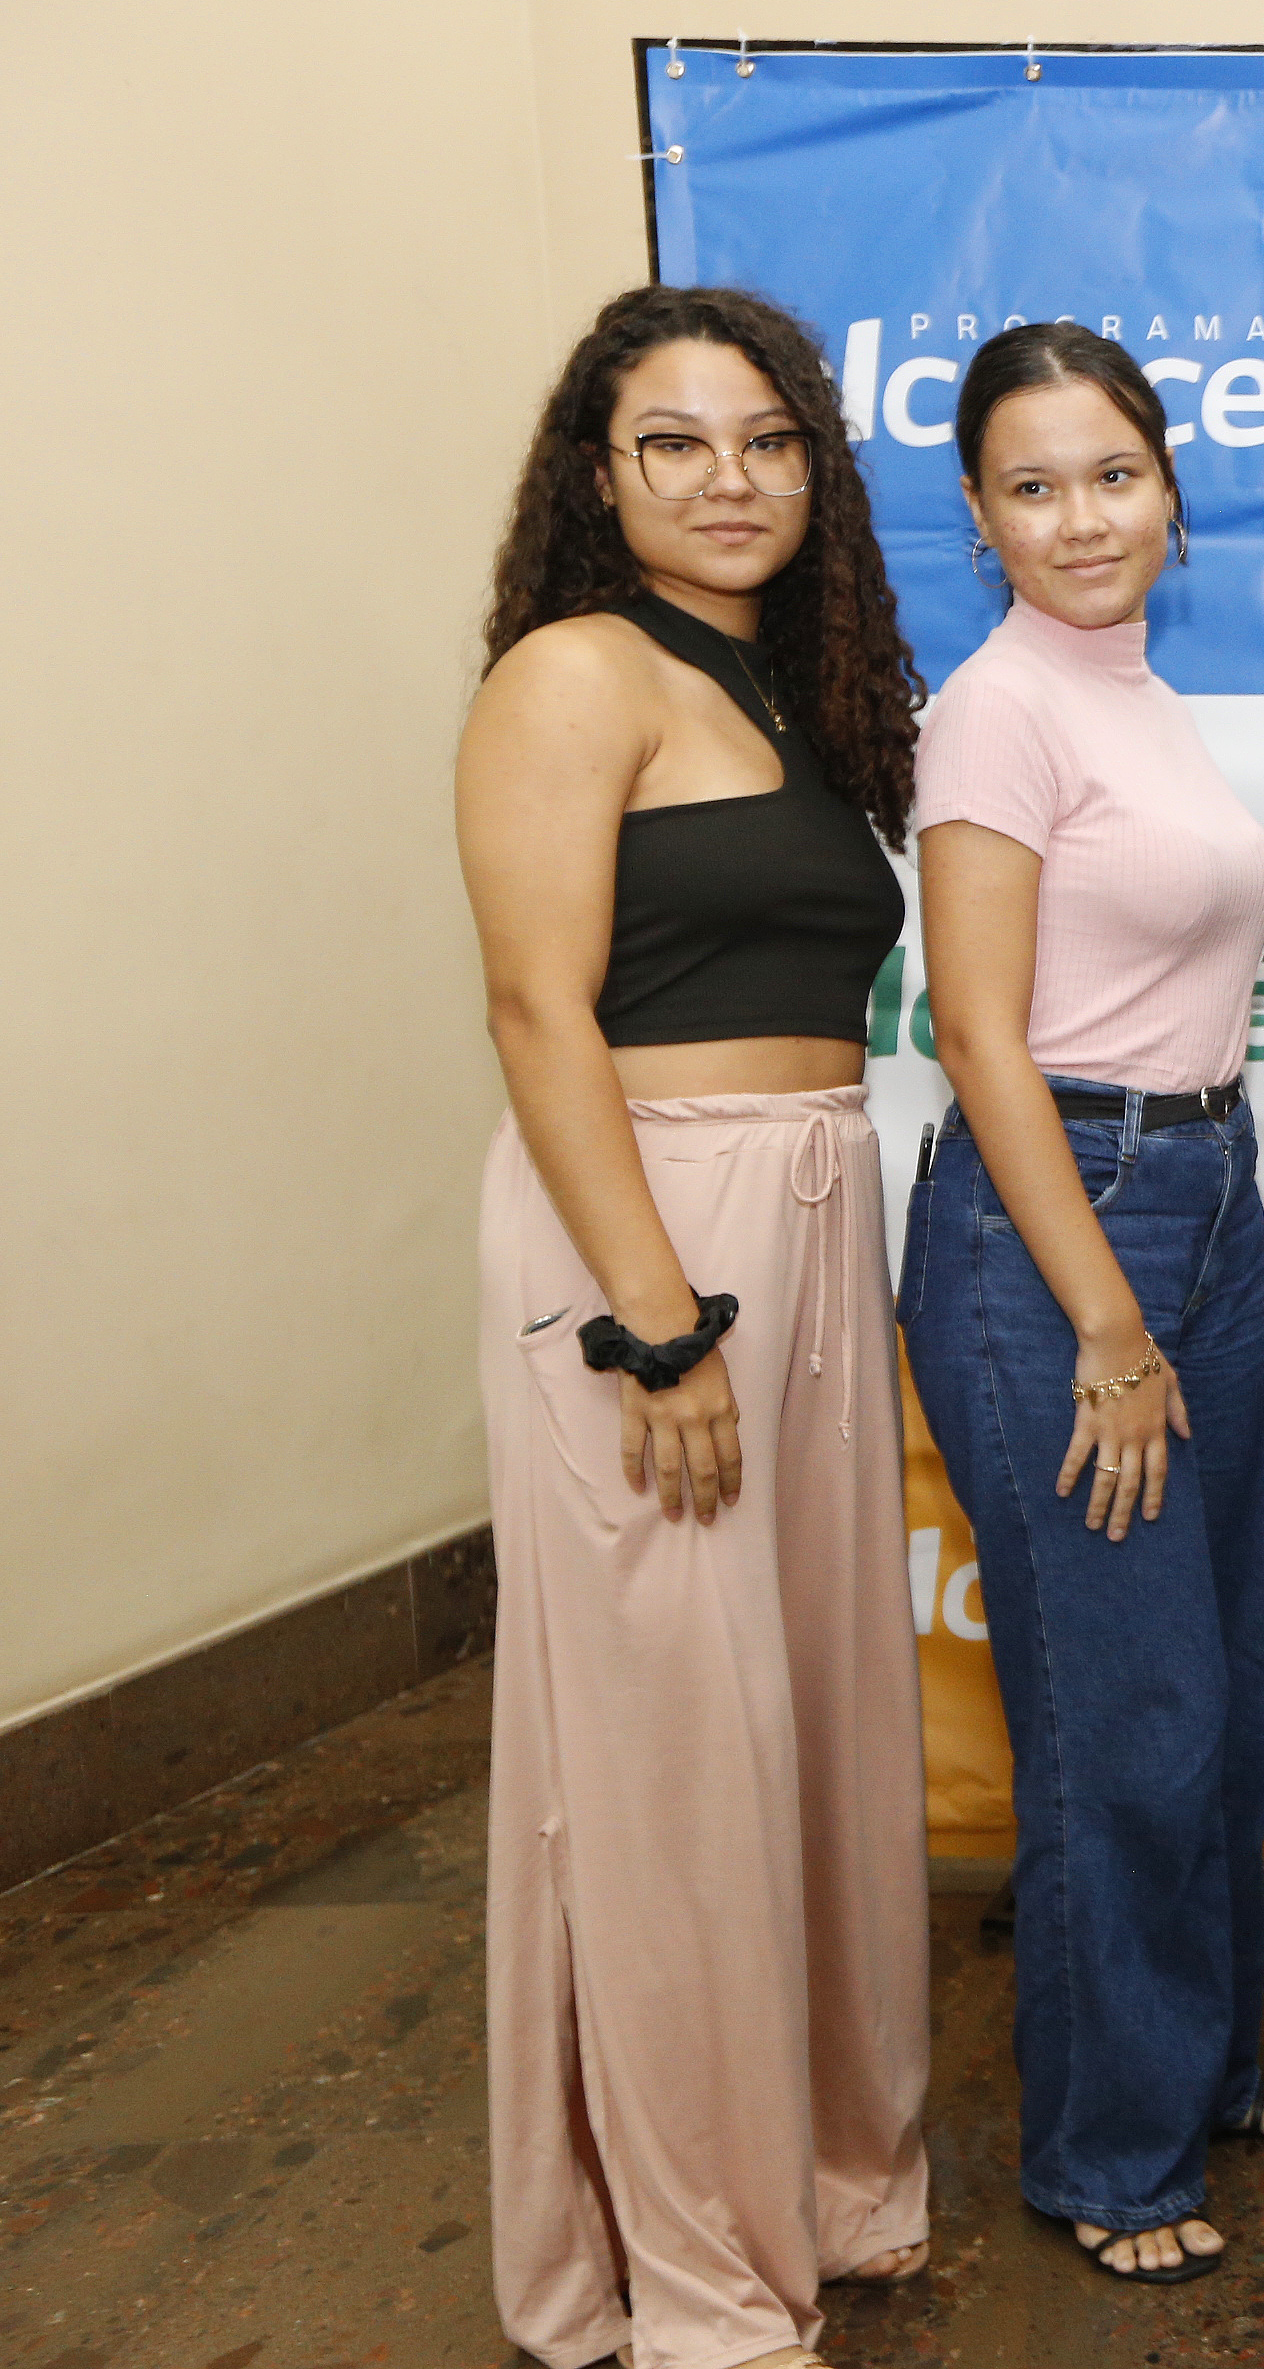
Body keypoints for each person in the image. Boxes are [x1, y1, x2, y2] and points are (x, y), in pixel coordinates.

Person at [456, 285, 932, 2369]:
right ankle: (694, 2275)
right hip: (647, 1240)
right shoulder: (575, 671)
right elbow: (533, 1007)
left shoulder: (792, 693)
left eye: (769, 440)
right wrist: (655, 1321)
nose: (729, 480)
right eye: (675, 441)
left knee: (805, 1734)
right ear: (599, 472)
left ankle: (818, 2181)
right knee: (670, 1759)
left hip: (812, 1217)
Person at [897, 323, 1264, 2285]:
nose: (1082, 518)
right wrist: (1107, 1327)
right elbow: (981, 1035)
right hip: (1062, 1233)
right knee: (1127, 1719)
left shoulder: (1135, 691)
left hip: (1202, 1198)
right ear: (979, 518)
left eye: (1114, 474)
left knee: (1238, 1682)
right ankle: (1111, 2156)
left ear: (1170, 484)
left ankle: (1200, 2058)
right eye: (1033, 486)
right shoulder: (997, 708)